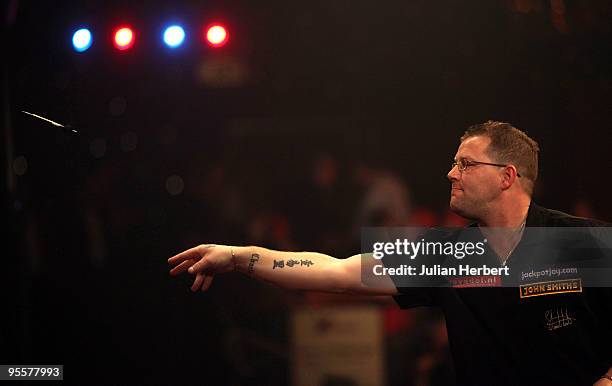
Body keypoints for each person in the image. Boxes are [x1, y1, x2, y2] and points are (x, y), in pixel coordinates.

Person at [168, 121, 612, 386]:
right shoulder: (449, 253)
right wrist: (239, 255)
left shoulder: (578, 241)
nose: (450, 172)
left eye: (466, 163)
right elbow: (338, 271)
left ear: (507, 176)